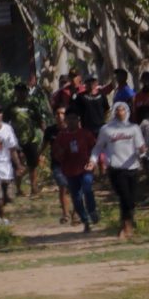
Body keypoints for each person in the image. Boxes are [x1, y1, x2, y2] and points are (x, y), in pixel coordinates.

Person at [98, 100, 147, 242]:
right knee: (124, 197)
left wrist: (142, 151)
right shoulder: (107, 129)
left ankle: (127, 223)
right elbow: (98, 147)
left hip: (132, 168)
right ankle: (125, 227)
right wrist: (94, 160)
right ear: (114, 112)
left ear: (127, 112)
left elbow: (140, 146)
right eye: (118, 110)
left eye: (123, 110)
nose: (120, 112)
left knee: (131, 200)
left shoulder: (134, 128)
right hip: (116, 169)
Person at [52, 104, 101, 234]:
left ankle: (92, 210)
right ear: (66, 120)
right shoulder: (61, 136)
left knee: (87, 188)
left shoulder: (86, 133)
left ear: (78, 120)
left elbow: (95, 149)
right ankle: (86, 221)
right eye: (69, 118)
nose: (72, 121)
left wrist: (94, 162)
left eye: (75, 118)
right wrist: (62, 152)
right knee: (77, 198)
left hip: (85, 169)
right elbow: (56, 154)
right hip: (70, 171)